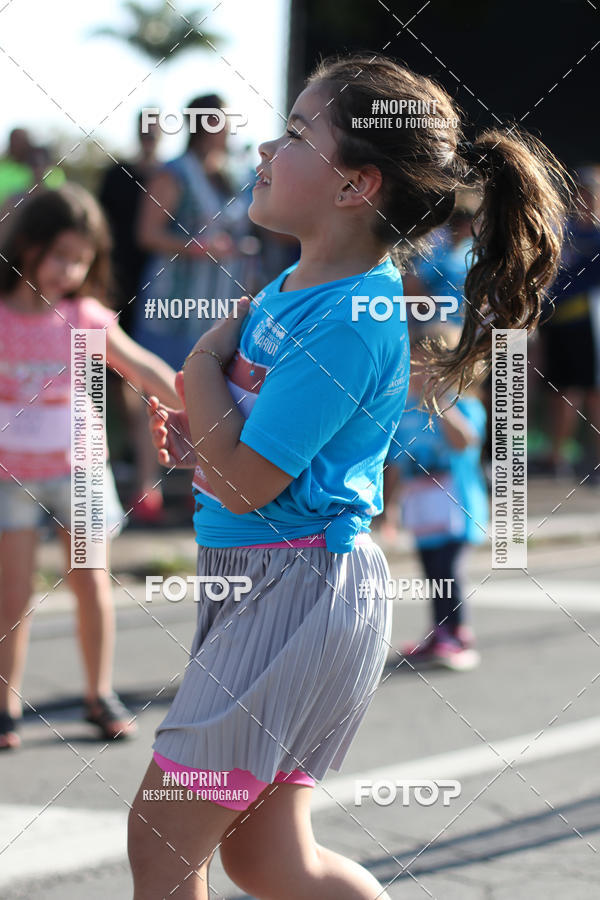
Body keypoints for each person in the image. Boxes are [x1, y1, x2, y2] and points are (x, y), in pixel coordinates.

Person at [128, 54, 568, 900]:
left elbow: (253, 477)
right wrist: (204, 434)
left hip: (297, 590)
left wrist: (199, 381)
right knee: (269, 864)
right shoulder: (297, 286)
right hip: (267, 583)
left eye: (296, 132)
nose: (264, 146)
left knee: (162, 837)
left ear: (355, 185)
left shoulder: (350, 316)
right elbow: (245, 447)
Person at [0, 184, 180, 750]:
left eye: (81, 260)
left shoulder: (85, 316)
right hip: (10, 478)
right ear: (27, 247)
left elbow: (142, 365)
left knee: (91, 586)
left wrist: (199, 397)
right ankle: (5, 703)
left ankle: (99, 695)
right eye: (59, 256)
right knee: (11, 595)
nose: (69, 270)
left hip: (78, 473)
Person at [129, 93, 258, 522]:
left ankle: (200, 486)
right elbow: (147, 233)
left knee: (209, 397)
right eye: (214, 119)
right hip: (172, 305)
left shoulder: (231, 174)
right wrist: (194, 247)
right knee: (159, 394)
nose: (222, 127)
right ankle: (149, 492)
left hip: (216, 309)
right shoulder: (175, 173)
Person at [383, 322, 488, 671]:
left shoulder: (464, 405)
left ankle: (458, 634)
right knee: (432, 572)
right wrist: (391, 509)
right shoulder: (405, 411)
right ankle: (440, 631)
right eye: (417, 363)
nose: (422, 372)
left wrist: (440, 402)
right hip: (422, 509)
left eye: (432, 365)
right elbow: (397, 464)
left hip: (458, 509)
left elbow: (466, 442)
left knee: (450, 569)